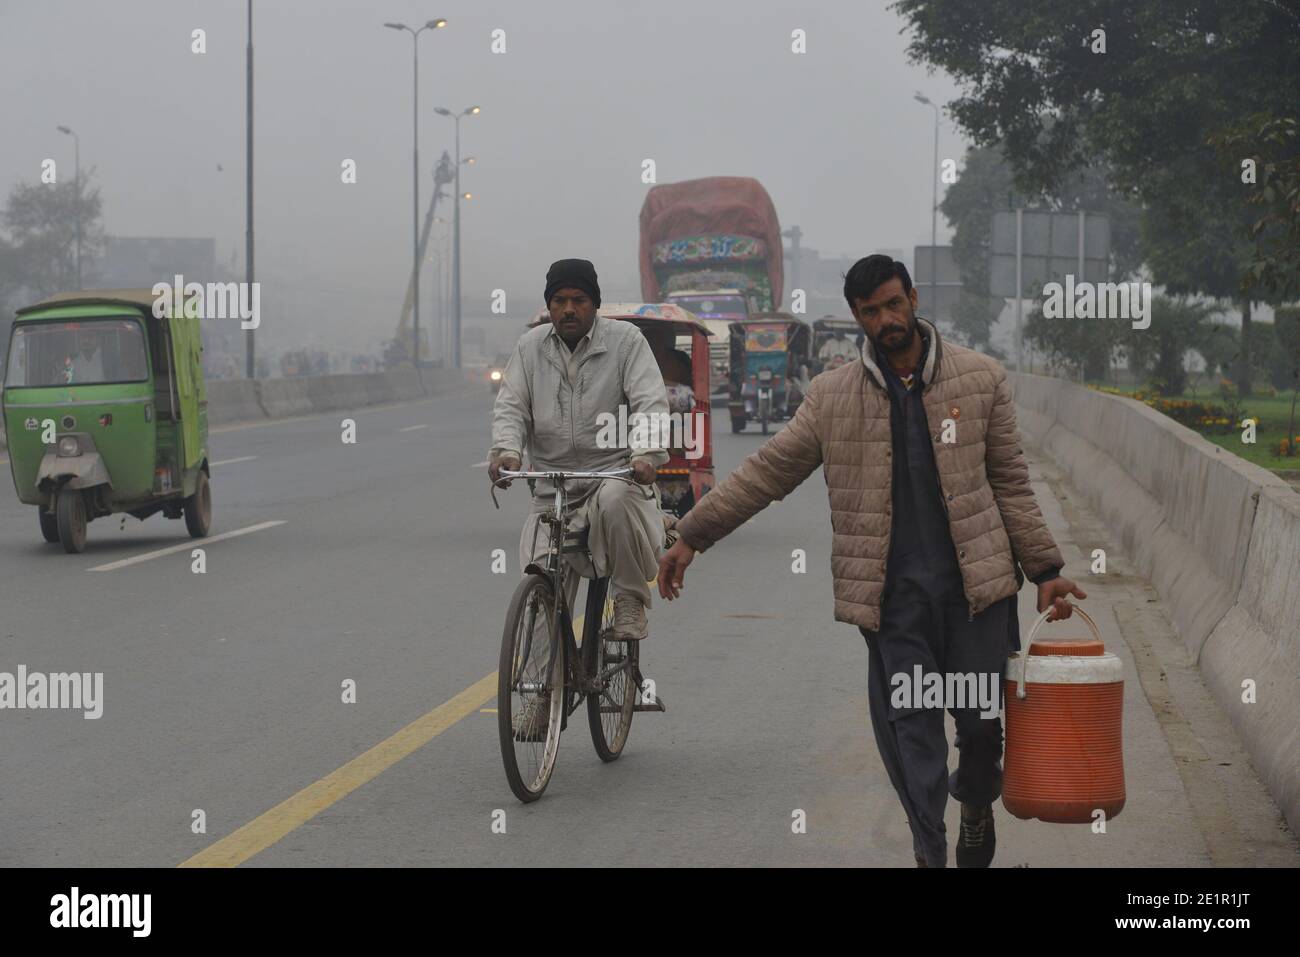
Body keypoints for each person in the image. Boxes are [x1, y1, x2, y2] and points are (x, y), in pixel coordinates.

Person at [657, 255, 1086, 868]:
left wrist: (1045, 571)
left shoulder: (980, 379)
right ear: (856, 318)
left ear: (912, 297)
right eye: (870, 312)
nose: (885, 319)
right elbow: (769, 470)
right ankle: (930, 852)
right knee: (914, 736)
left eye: (892, 304)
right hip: (893, 601)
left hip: (978, 593)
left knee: (983, 732)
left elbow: (1011, 483)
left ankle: (975, 803)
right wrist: (694, 532)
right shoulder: (832, 397)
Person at [489, 259, 670, 740]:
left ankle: (629, 600)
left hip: (616, 475)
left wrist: (647, 452)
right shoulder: (530, 348)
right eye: (559, 301)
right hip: (554, 486)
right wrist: (506, 451)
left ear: (594, 304)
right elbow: (511, 407)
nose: (568, 310)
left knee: (614, 500)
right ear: (548, 305)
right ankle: (543, 696)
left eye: (578, 301)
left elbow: (651, 401)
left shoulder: (626, 343)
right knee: (542, 588)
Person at [642, 325, 694, 414]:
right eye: (650, 341)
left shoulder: (679, 358)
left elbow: (690, 383)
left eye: (657, 340)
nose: (654, 345)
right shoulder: (639, 358)